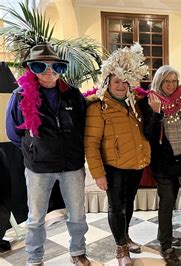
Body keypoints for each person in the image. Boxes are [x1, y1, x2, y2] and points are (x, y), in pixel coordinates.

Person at [6, 43, 90, 266]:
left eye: (55, 66)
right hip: (38, 168)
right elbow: (13, 132)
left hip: (72, 165)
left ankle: (78, 251)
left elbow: (84, 126)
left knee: (77, 215)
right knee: (35, 219)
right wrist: (33, 149)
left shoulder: (72, 94)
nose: (48, 71)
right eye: (40, 66)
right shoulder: (21, 96)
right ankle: (34, 258)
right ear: (30, 68)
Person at [84, 43, 150, 265]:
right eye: (116, 82)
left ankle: (125, 236)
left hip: (135, 164)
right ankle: (121, 248)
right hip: (112, 167)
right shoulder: (98, 108)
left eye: (124, 82)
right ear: (108, 83)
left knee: (129, 204)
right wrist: (98, 174)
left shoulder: (135, 104)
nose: (121, 86)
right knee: (116, 207)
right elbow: (91, 144)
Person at [142, 65, 181, 264]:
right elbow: (148, 133)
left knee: (172, 199)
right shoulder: (150, 100)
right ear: (159, 81)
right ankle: (166, 245)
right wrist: (156, 112)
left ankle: (164, 235)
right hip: (161, 163)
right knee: (166, 202)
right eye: (167, 81)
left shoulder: (179, 101)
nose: (171, 85)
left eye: (175, 81)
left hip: (179, 160)